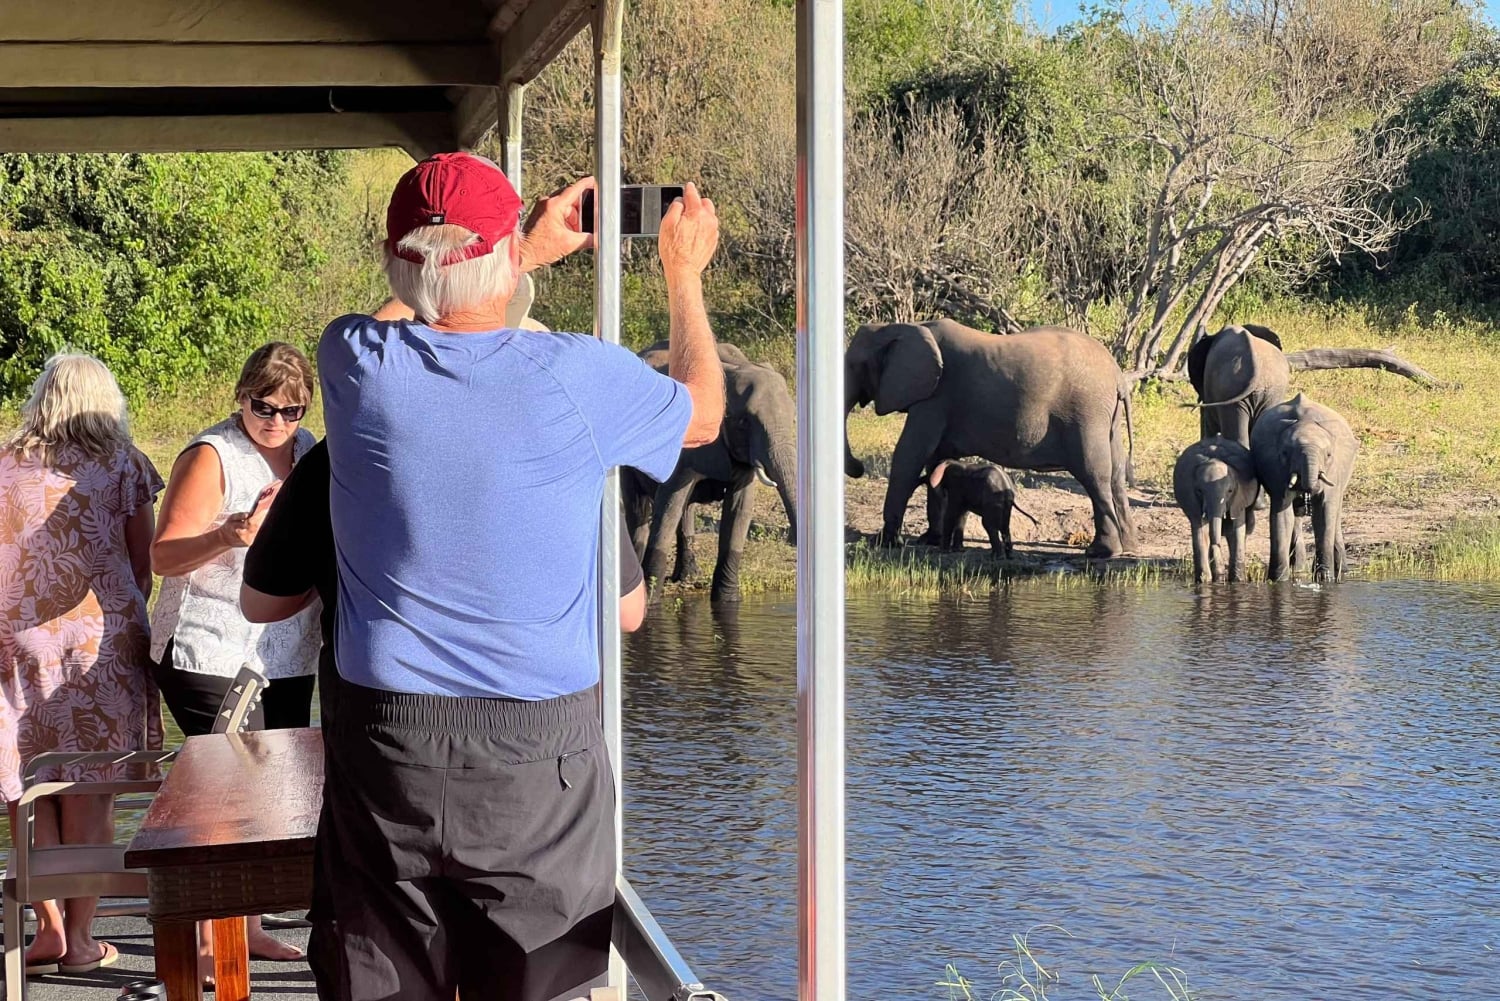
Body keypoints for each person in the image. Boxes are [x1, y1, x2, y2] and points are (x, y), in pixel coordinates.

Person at [314, 151, 724, 1001]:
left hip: (386, 745)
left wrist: (508, 253)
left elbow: (403, 308)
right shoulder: (575, 377)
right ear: (504, 256)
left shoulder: (353, 364)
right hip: (538, 760)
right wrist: (682, 275)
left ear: (397, 260)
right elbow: (704, 407)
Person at [240, 437, 651, 999]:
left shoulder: (346, 452)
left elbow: (261, 602)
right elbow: (627, 611)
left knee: (380, 969)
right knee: (538, 972)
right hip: (538, 761)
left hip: (386, 756)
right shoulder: (557, 445)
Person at [147, 341, 319, 969]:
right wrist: (229, 534)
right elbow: (162, 556)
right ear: (240, 397)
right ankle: (202, 939)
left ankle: (244, 930)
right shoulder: (211, 454)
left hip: (286, 650)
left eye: (291, 409)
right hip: (209, 646)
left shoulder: (310, 454)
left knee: (275, 794)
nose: (276, 420)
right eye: (262, 406)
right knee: (223, 799)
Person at [0, 354, 164, 976]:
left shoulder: (6, 466)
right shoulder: (124, 465)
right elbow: (144, 562)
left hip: (18, 639)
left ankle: (44, 932)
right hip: (102, 642)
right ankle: (83, 939)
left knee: (32, 782)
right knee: (90, 783)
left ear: (42, 398)